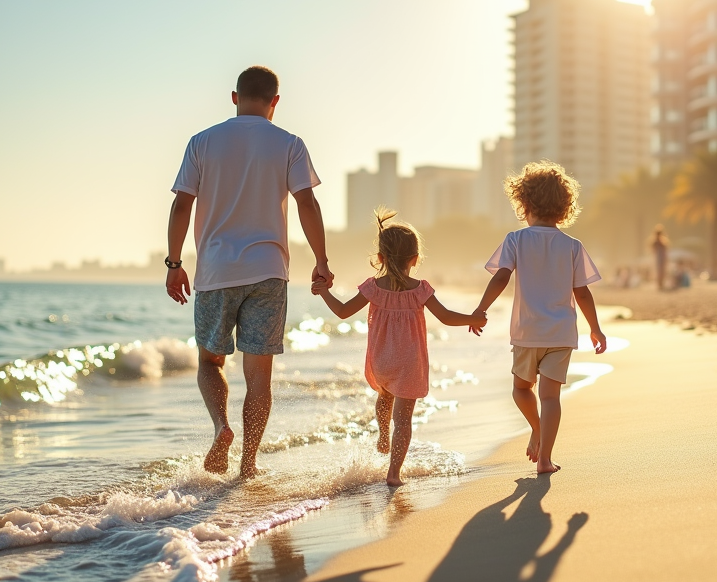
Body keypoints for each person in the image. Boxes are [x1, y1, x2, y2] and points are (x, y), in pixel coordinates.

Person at [165, 66, 331, 477]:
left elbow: (181, 206)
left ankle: (221, 428)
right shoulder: (289, 143)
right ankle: (249, 463)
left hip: (216, 272)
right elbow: (307, 204)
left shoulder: (202, 142)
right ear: (275, 102)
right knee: (259, 377)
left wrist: (174, 263)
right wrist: (322, 260)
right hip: (269, 272)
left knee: (210, 362)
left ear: (235, 97)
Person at [311, 210, 486, 486]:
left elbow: (343, 312)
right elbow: (446, 317)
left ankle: (382, 433)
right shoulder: (420, 290)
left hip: (382, 360)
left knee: (384, 395)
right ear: (415, 259)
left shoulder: (373, 288)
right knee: (403, 422)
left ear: (380, 257)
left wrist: (323, 292)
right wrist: (473, 318)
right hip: (410, 363)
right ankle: (394, 473)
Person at [471, 161, 607, 475]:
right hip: (560, 333)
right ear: (564, 207)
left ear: (525, 203)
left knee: (521, 389)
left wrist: (481, 310)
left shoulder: (515, 240)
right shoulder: (572, 246)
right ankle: (545, 459)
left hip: (527, 332)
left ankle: (536, 428)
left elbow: (501, 278)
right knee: (551, 397)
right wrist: (595, 329)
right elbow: (582, 293)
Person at [650, 225, 669, 291]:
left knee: (662, 271)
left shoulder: (663, 241)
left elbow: (666, 249)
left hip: (661, 257)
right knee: (658, 271)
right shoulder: (654, 241)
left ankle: (661, 284)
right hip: (658, 257)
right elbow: (652, 249)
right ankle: (659, 284)